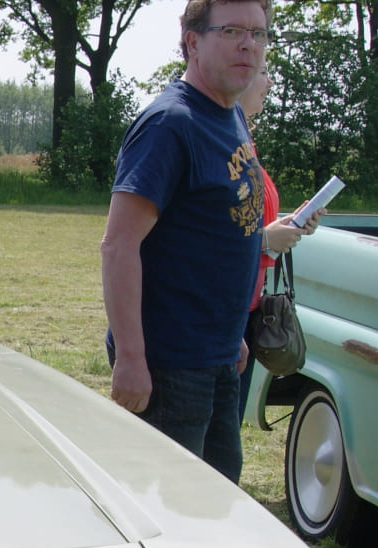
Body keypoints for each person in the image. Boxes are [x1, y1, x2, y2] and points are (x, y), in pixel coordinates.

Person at [100, 0, 271, 483]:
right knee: (173, 514)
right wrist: (132, 359)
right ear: (193, 41)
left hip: (218, 358)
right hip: (170, 368)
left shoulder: (229, 114)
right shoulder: (171, 125)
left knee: (217, 504)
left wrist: (231, 333)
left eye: (258, 34)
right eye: (233, 31)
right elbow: (118, 246)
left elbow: (216, 236)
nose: (248, 45)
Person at [237, 64, 321, 414]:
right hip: (222, 311)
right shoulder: (217, 138)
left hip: (244, 306)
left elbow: (246, 219)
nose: (270, 81)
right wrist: (265, 241)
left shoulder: (244, 139)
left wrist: (286, 224)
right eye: (263, 72)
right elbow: (204, 235)